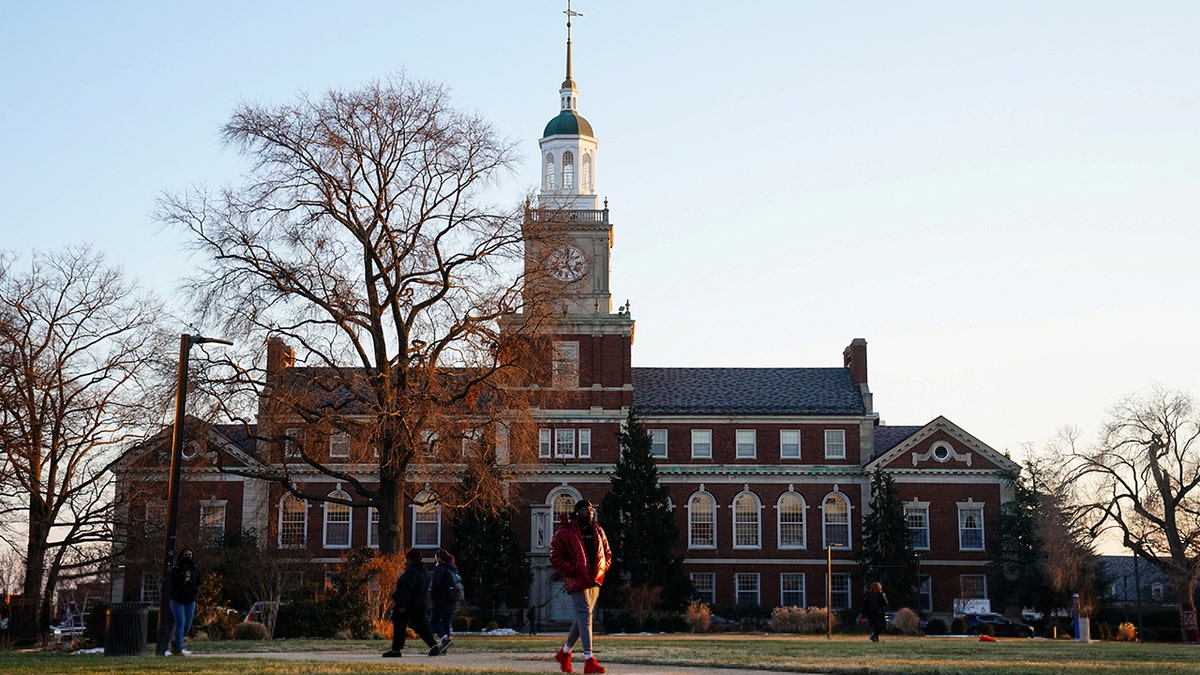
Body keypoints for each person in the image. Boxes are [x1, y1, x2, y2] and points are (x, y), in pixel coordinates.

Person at [550, 499, 612, 675]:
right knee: (585, 614)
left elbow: (607, 553)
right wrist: (574, 570)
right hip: (576, 580)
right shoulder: (565, 532)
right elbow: (555, 557)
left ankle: (564, 653)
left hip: (594, 579)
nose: (589, 512)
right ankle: (588, 659)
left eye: (591, 509)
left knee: (583, 618)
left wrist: (602, 568)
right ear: (577, 512)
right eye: (585, 509)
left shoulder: (598, 530)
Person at [383, 548, 440, 658]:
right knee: (422, 625)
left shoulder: (411, 572)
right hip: (421, 603)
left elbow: (407, 589)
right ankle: (433, 645)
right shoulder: (425, 572)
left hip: (409, 604)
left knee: (399, 624)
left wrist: (401, 604)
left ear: (409, 559)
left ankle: (396, 649)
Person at [168, 548, 200, 656]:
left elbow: (199, 582)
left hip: (190, 599)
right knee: (180, 621)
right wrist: (174, 593)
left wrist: (196, 590)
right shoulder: (175, 569)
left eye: (190, 554)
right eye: (186, 554)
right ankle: (179, 648)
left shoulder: (195, 569)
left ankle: (176, 642)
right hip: (177, 599)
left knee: (187, 624)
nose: (188, 556)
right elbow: (169, 583)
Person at [429, 548, 459, 654]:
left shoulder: (439, 569)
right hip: (452, 599)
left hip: (441, 600)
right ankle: (444, 646)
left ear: (439, 558)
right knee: (446, 622)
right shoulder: (452, 568)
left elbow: (435, 585)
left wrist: (433, 596)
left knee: (434, 622)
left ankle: (444, 639)